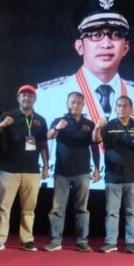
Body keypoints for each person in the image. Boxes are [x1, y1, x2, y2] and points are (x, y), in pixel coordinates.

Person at [35, 0, 134, 181]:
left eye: (116, 34)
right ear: (79, 46)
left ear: (126, 47)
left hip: (123, 179)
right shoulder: (48, 95)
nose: (106, 43)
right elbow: (40, 148)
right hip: (73, 177)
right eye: (95, 34)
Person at [0, 85, 49, 252]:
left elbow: (43, 145)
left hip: (32, 171)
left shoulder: (40, 120)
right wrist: (2, 124)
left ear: (35, 99)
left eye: (30, 95)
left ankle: (27, 240)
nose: (26, 98)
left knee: (29, 209)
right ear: (18, 98)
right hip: (9, 170)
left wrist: (45, 166)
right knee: (3, 208)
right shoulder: (8, 115)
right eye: (23, 95)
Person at [43, 92, 100, 252]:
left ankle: (82, 241)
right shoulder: (60, 120)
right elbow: (48, 136)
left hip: (83, 172)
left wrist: (97, 168)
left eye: (79, 102)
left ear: (83, 105)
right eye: (72, 102)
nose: (75, 105)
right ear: (67, 104)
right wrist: (57, 128)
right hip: (62, 171)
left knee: (82, 209)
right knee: (57, 209)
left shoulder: (89, 124)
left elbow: (95, 147)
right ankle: (55, 241)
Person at [94, 95, 134, 253]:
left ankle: (131, 243)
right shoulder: (108, 126)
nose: (122, 108)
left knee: (132, 211)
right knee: (112, 212)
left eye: (125, 106)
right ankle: (111, 242)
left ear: (131, 109)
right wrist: (97, 127)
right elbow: (96, 139)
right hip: (113, 176)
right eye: (119, 105)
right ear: (115, 108)